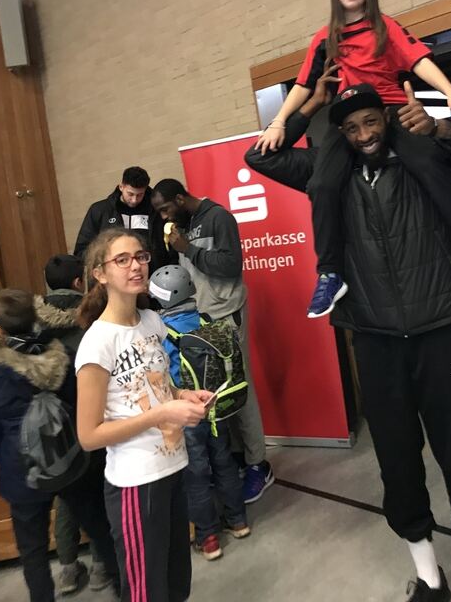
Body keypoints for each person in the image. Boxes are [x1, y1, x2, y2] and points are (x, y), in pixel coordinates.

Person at [246, 72, 451, 601]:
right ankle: (428, 576)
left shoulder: (423, 153)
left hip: (436, 328)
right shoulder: (328, 170)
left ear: (388, 119)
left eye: (371, 121)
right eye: (350, 127)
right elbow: (259, 158)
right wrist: (307, 109)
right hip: (371, 337)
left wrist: (445, 127)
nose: (363, 133)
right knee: (397, 461)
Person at [255, 0, 451, 319]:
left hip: (388, 111)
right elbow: (304, 85)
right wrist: (278, 121)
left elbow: (418, 61)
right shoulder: (325, 38)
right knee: (322, 184)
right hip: (348, 120)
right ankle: (330, 273)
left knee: (428, 161)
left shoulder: (385, 26)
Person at [75, 229, 211, 602]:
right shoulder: (97, 343)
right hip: (136, 484)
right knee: (147, 592)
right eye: (122, 259)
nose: (135, 265)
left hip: (172, 468)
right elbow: (89, 435)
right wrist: (161, 414)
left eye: (141, 256)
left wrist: (186, 396)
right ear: (100, 273)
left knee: (176, 584)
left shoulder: (151, 321)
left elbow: (160, 389)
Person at [0, 289, 119, 602]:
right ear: (37, 318)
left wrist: (5, 457)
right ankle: (124, 589)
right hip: (73, 458)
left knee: (32, 552)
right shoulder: (65, 354)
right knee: (101, 531)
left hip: (22, 471)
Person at [151, 179, 274, 504]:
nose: (164, 216)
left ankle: (258, 464)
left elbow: (231, 265)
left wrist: (187, 249)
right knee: (213, 393)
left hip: (226, 315)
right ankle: (236, 459)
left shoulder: (218, 217)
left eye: (165, 208)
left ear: (180, 198)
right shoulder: (182, 225)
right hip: (201, 319)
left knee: (238, 387)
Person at [149, 265, 250, 561]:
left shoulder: (163, 332)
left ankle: (208, 538)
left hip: (187, 413)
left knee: (196, 475)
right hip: (216, 407)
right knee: (224, 463)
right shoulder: (205, 319)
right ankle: (238, 520)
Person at [35, 253, 113, 594]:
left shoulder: (31, 324)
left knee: (67, 497)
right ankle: (100, 565)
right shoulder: (91, 322)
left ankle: (67, 568)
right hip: (92, 419)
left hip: (53, 427)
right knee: (97, 492)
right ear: (80, 284)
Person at [73, 166, 174, 271]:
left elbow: (171, 247)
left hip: (155, 275)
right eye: (130, 194)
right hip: (114, 277)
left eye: (140, 195)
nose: (134, 200)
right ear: (121, 187)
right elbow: (82, 251)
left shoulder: (156, 211)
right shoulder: (100, 210)